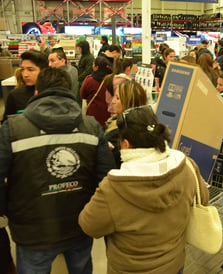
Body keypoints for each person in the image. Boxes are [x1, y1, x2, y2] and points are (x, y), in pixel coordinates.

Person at [0, 67, 116, 274]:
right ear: (70, 90)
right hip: (79, 224)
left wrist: (7, 212)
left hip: (32, 229)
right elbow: (107, 177)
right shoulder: (91, 127)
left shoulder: (13, 128)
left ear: (37, 91)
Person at [79, 106, 209, 274]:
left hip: (130, 269)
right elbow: (203, 198)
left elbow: (89, 225)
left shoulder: (114, 188)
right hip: (173, 264)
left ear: (126, 144)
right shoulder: (187, 167)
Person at [105, 79, 148, 167]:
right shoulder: (145, 126)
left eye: (117, 98)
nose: (113, 101)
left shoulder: (120, 133)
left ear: (128, 102)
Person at [2, 50, 48, 123]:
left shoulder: (54, 92)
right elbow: (7, 125)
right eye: (23, 69)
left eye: (30, 70)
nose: (25, 74)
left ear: (44, 71)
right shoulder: (15, 96)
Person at [80, 56, 112, 127]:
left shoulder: (89, 80)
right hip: (108, 113)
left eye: (93, 64)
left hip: (93, 114)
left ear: (96, 67)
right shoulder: (111, 79)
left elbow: (82, 95)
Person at [77, 40, 95, 105]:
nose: (79, 49)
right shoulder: (83, 56)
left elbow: (88, 71)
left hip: (84, 81)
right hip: (81, 80)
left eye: (80, 48)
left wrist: (78, 78)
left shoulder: (90, 58)